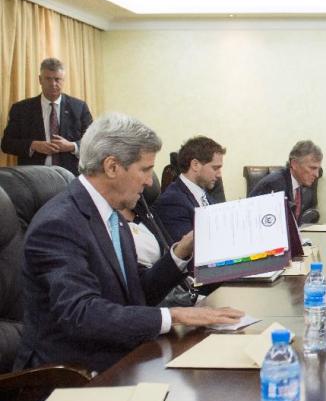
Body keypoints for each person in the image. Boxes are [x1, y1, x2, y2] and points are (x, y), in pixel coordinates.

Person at [13, 113, 243, 373]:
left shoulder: (113, 217)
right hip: (74, 374)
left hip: (122, 356)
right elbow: (82, 313)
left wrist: (179, 253)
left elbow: (134, 293)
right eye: (145, 169)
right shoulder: (59, 224)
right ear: (112, 167)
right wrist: (175, 315)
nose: (149, 180)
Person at [1, 57, 94, 176]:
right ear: (40, 80)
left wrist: (72, 146)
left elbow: (94, 142)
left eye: (57, 79)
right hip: (33, 178)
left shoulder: (79, 107)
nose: (53, 84)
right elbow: (6, 144)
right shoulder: (21, 109)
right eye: (48, 79)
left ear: (63, 80)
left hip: (70, 177)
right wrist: (33, 145)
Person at [152, 136, 226, 241]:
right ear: (195, 165)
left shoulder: (205, 195)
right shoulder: (172, 201)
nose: (219, 175)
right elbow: (188, 250)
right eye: (215, 168)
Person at [249, 140, 322, 225]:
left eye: (318, 169)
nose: (317, 174)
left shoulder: (298, 184)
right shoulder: (275, 185)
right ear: (294, 164)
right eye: (312, 168)